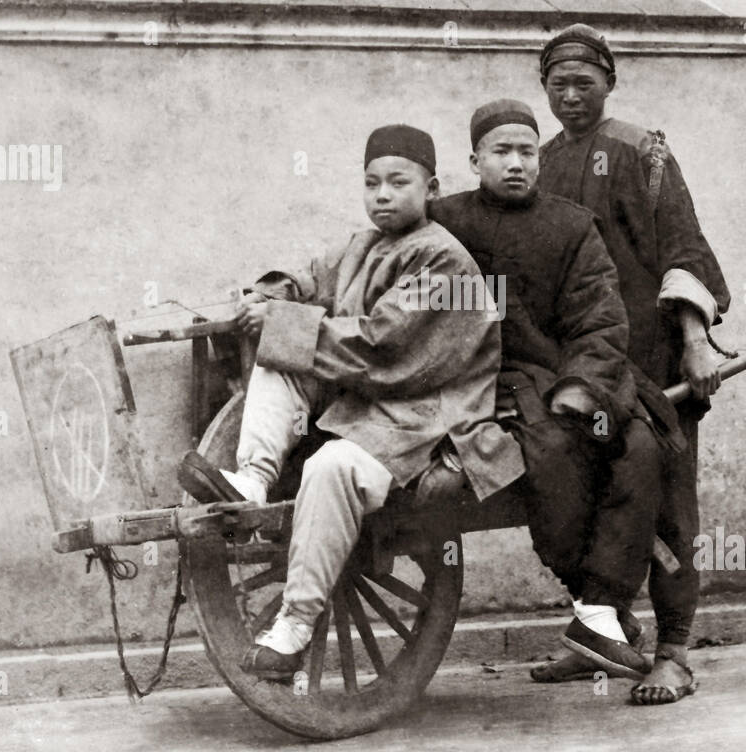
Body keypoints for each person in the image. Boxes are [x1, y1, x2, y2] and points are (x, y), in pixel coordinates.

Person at [178, 123, 524, 678]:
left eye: (398, 182)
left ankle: (294, 624)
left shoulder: (446, 261)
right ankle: (252, 480)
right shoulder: (364, 244)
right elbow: (309, 279)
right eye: (371, 183)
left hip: (426, 416)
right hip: (375, 400)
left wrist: (282, 323)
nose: (382, 195)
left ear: (432, 189)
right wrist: (268, 297)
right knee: (277, 354)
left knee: (331, 467)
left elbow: (384, 344)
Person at [534, 24, 731, 705]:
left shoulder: (642, 151)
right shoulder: (542, 161)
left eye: (584, 83)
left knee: (668, 507)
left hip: (652, 357)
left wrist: (695, 340)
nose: (571, 96)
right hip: (585, 365)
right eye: (558, 85)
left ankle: (673, 653)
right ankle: (606, 633)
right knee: (584, 499)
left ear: (610, 83)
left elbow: (684, 247)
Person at [430, 99, 659, 679]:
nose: (516, 163)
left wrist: (581, 385)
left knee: (641, 446)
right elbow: (382, 264)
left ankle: (601, 608)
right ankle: (597, 611)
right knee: (554, 452)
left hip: (564, 376)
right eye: (501, 152)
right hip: (485, 381)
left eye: (527, 152)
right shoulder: (443, 221)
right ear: (475, 160)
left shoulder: (572, 225)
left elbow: (600, 318)